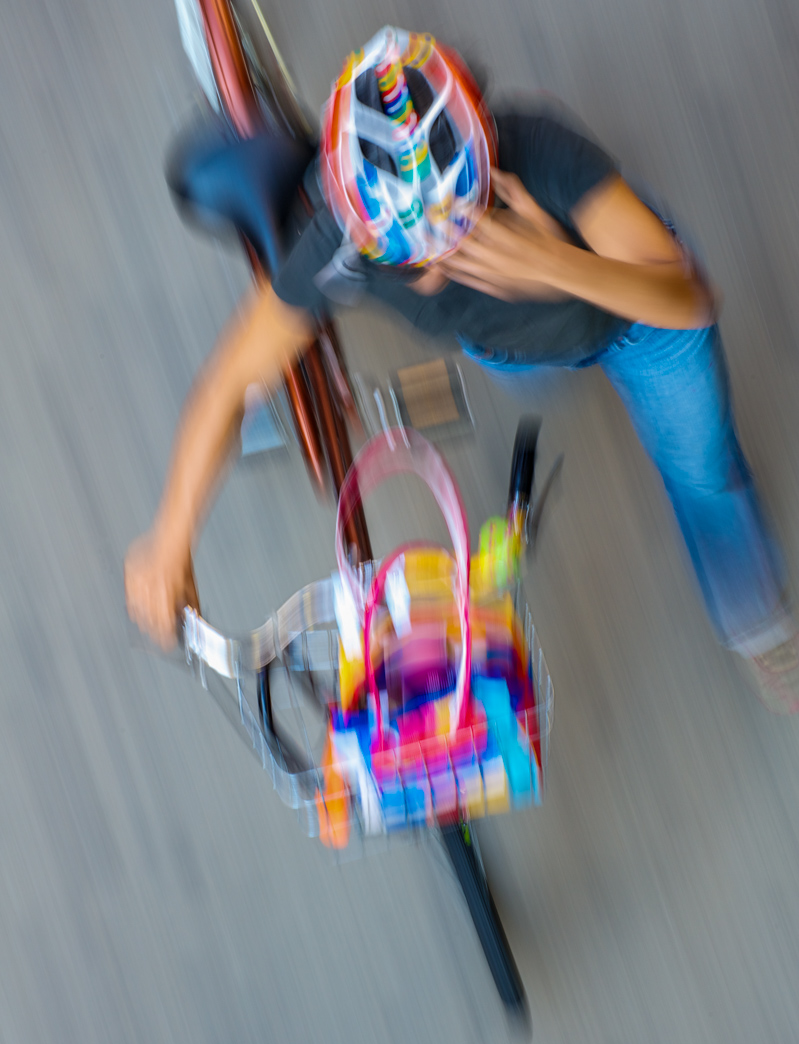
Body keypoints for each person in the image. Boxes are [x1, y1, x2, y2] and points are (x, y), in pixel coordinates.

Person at [125, 25, 799, 713]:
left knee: (704, 474)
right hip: (514, 345)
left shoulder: (541, 147)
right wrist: (170, 535)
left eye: (461, 236)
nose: (434, 272)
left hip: (645, 327)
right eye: (406, 258)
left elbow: (686, 298)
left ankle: (753, 619)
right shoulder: (337, 239)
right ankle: (554, 359)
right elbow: (229, 380)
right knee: (538, 370)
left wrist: (554, 267)